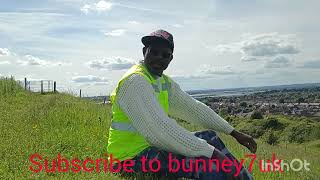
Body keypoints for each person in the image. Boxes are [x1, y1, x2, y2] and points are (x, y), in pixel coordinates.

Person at [107, 29, 257, 179]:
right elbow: (160, 131)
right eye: (154, 52)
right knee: (206, 162)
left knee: (210, 137)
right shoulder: (136, 81)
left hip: (149, 150)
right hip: (128, 161)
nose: (159, 58)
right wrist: (214, 154)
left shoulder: (162, 81)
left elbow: (194, 109)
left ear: (171, 59)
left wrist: (234, 133)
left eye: (165, 55)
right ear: (144, 51)